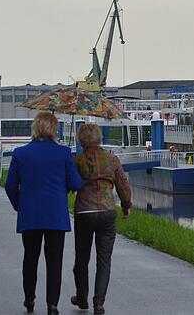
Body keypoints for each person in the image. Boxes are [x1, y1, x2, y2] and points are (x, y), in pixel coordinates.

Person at [5, 112, 84, 315]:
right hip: (55, 216)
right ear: (54, 129)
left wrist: (19, 205)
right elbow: (75, 184)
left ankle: (29, 299)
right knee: (54, 262)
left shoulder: (20, 153)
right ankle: (52, 305)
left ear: (35, 127)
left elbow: (10, 186)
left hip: (30, 214)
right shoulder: (64, 153)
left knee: (30, 259)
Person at [70, 123, 132, 315]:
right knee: (104, 259)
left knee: (82, 258)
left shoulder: (77, 160)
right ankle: (99, 302)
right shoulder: (112, 159)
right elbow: (122, 184)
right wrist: (126, 205)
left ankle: (82, 297)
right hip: (107, 212)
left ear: (81, 141)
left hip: (84, 212)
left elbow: (70, 183)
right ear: (99, 138)